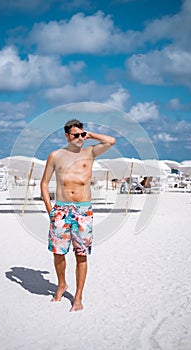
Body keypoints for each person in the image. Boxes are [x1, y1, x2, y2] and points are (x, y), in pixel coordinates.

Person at [40, 119, 115, 311]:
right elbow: (44, 184)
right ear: (67, 136)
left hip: (83, 211)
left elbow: (111, 141)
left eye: (82, 135)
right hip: (61, 210)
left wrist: (90, 134)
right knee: (58, 253)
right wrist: (51, 211)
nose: (80, 138)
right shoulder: (55, 155)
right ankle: (62, 284)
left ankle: (78, 297)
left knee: (81, 255)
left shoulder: (90, 152)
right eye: (76, 135)